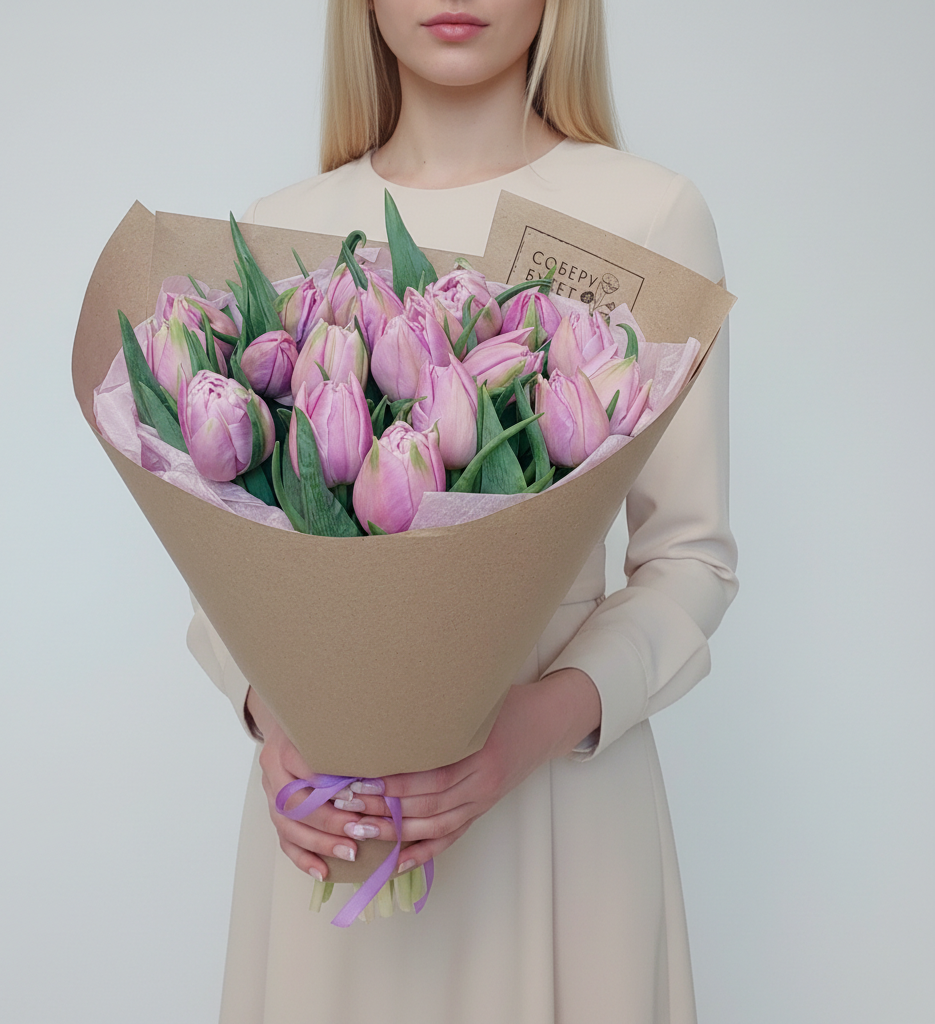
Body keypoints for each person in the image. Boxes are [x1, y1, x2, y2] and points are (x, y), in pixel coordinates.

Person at [186, 1, 738, 1021]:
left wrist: (525, 732)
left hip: (558, 812)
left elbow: (690, 559)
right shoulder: (282, 224)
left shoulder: (648, 214)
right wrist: (274, 721)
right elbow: (222, 549)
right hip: (337, 817)